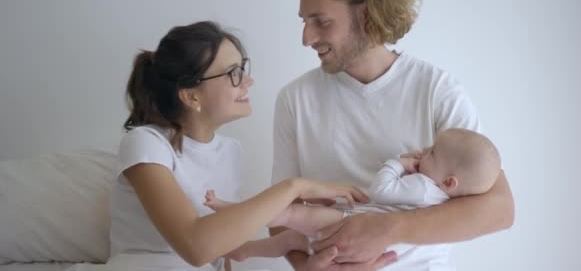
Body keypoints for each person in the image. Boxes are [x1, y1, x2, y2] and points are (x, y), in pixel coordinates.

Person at [270, 0, 515, 270]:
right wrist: (304, 266)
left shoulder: (437, 90)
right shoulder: (294, 99)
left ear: (366, 13)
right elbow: (276, 212)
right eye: (304, 21)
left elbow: (499, 210)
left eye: (321, 21)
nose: (306, 38)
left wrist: (386, 228)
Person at [67, 21, 368, 271]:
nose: (247, 81)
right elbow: (196, 247)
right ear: (191, 96)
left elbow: (217, 253)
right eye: (233, 73)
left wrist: (273, 246)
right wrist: (293, 188)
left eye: (243, 68)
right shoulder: (146, 144)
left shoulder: (230, 152)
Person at [205, 128, 501, 270]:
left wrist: (397, 163)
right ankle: (245, 250)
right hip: (357, 238)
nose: (424, 151)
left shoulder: (424, 186)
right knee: (289, 240)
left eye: (432, 153)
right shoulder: (442, 199)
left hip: (349, 225)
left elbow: (381, 190)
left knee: (290, 214)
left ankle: (234, 211)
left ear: (449, 181)